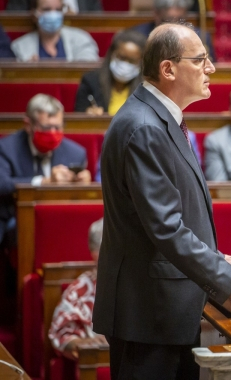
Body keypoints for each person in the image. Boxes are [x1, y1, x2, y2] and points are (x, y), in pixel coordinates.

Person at [93, 21, 231, 379]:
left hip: (165, 309)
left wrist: (216, 258)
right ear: (168, 69)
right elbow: (165, 228)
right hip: (148, 314)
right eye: (201, 60)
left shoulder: (159, 119)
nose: (211, 69)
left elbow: (165, 217)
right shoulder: (145, 126)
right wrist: (228, 277)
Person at [0, 94, 90, 246]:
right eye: (47, 127)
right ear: (28, 125)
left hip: (61, 220)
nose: (54, 132)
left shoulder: (76, 153)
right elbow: (3, 184)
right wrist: (44, 181)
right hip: (15, 219)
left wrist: (82, 184)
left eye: (58, 127)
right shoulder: (7, 148)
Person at [48, 218, 108, 360]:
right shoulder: (79, 291)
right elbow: (61, 335)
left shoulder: (145, 285)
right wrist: (81, 345)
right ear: (96, 253)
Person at [10, 0, 99, 62]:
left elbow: (89, 71)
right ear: (34, 15)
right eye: (47, 10)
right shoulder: (19, 46)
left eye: (58, 10)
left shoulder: (81, 39)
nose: (53, 14)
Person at [132, 0, 216, 59]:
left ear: (186, 14)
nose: (174, 28)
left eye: (180, 21)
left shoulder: (200, 37)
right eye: (168, 22)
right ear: (156, 14)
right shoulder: (138, 36)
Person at [74, 31, 147, 115]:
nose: (125, 64)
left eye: (132, 61)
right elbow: (79, 114)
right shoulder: (90, 81)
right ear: (112, 54)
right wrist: (88, 114)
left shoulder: (146, 89)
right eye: (122, 58)